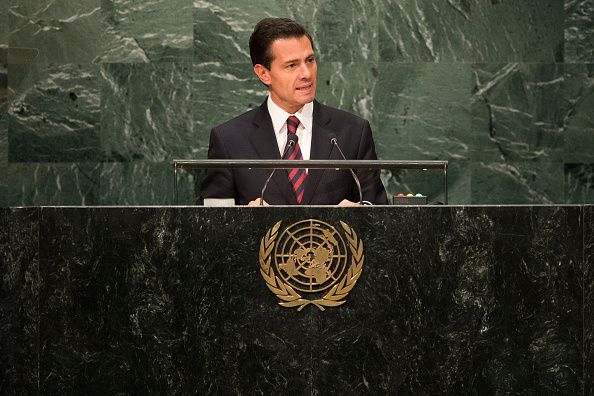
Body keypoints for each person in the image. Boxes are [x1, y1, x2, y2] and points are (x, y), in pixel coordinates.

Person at [201, 17, 388, 206]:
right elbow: (210, 223)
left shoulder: (353, 132)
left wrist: (360, 214)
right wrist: (244, 220)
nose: (306, 73)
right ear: (263, 73)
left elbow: (379, 210)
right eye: (292, 65)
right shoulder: (229, 140)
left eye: (310, 60)